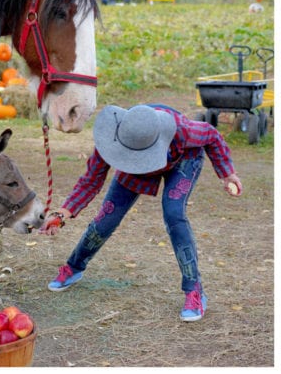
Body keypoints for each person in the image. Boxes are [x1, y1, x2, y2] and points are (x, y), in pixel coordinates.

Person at [38, 104, 241, 322]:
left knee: (174, 214)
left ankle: (194, 290)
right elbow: (90, 181)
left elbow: (212, 135)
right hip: (132, 169)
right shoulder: (110, 141)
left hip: (182, 160)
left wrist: (227, 173)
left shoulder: (182, 131)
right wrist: (61, 214)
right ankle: (74, 267)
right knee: (106, 218)